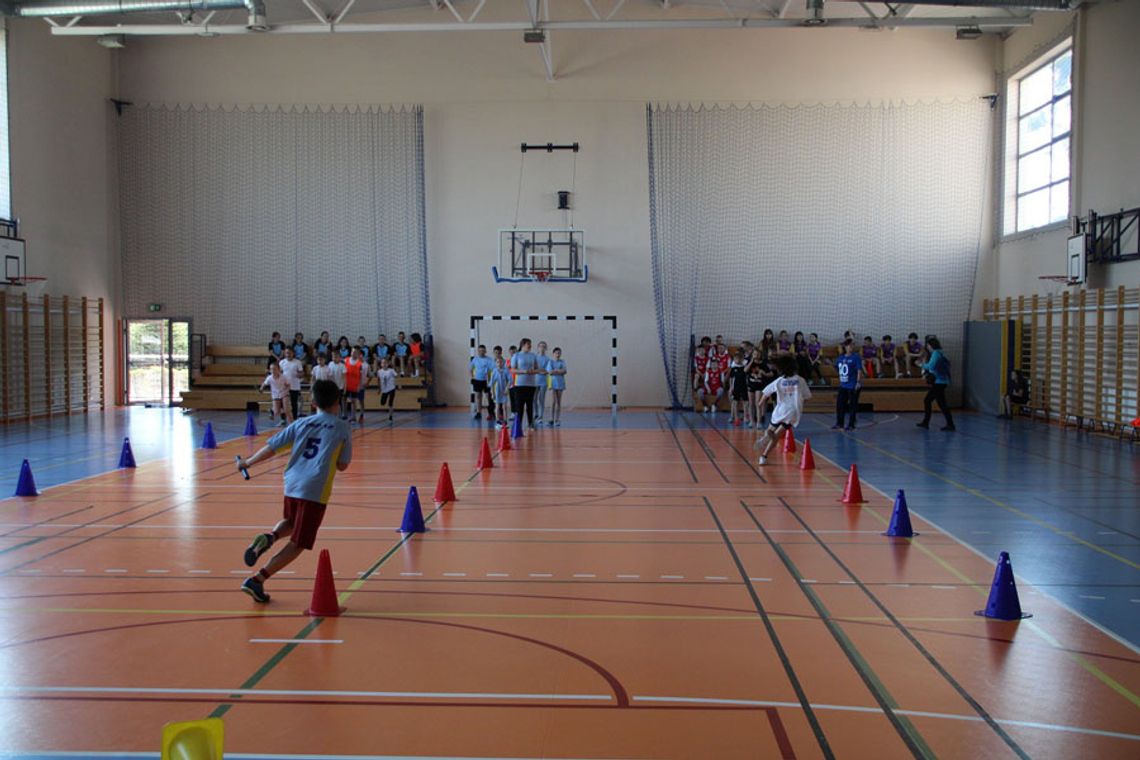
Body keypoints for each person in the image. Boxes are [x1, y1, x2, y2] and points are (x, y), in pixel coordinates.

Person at [236, 379, 353, 604]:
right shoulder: (341, 427)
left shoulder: (301, 423)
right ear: (337, 401)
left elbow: (271, 447)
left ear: (313, 402)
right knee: (299, 543)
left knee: (290, 521)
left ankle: (269, 537)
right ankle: (257, 580)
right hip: (315, 487)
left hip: (292, 482)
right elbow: (343, 465)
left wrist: (247, 463)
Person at [754, 355, 812, 466]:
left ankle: (765, 439)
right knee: (776, 436)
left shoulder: (779, 381)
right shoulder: (800, 380)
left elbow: (766, 392)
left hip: (780, 411)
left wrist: (760, 403)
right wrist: (800, 403)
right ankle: (764, 456)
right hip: (792, 413)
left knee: (771, 431)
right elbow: (807, 397)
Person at [917, 336, 955, 431]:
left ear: (931, 345)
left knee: (928, 400)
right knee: (942, 404)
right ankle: (950, 424)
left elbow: (931, 366)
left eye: (928, 345)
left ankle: (926, 422)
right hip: (941, 381)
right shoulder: (940, 353)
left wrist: (921, 365)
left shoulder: (936, 353)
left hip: (939, 382)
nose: (927, 347)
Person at [510, 337, 540, 429]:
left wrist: (533, 371)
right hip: (519, 385)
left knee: (530, 405)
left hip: (531, 384)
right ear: (523, 345)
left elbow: (536, 368)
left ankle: (531, 423)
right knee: (520, 406)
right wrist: (524, 371)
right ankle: (518, 425)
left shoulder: (533, 355)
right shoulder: (517, 355)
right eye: (528, 344)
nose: (530, 346)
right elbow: (513, 369)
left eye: (530, 344)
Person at [833, 339, 863, 431]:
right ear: (845, 347)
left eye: (852, 345)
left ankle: (851, 424)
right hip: (843, 385)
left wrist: (858, 382)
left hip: (852, 385)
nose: (851, 347)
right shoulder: (841, 358)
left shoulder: (856, 357)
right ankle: (839, 423)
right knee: (840, 405)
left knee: (852, 406)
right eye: (849, 345)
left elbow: (859, 370)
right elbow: (836, 366)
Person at [260, 362, 293, 427]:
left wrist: (287, 390)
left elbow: (288, 385)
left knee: (287, 410)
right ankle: (272, 410)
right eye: (271, 369)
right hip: (275, 395)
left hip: (284, 393)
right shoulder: (269, 378)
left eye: (275, 369)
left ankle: (292, 424)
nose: (273, 371)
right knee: (276, 412)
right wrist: (261, 388)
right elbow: (264, 384)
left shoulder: (283, 377)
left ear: (279, 369)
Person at [343, 346, 369, 426]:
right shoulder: (345, 360)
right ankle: (344, 415)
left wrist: (360, 385)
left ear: (358, 353)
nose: (353, 353)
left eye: (355, 352)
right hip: (346, 385)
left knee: (354, 401)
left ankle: (353, 416)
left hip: (355, 385)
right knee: (344, 400)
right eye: (352, 351)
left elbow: (361, 376)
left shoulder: (360, 364)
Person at [278, 347, 305, 421]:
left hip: (294, 385)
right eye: (286, 353)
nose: (288, 354)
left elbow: (302, 373)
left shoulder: (297, 362)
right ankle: (283, 419)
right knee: (282, 403)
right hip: (284, 386)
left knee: (294, 403)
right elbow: (279, 373)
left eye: (290, 353)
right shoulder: (282, 362)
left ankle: (295, 419)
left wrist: (300, 375)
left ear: (293, 353)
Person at [470, 344, 495, 420]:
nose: (481, 352)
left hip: (486, 381)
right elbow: (470, 369)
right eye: (480, 351)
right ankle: (478, 412)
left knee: (489, 397)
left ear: (485, 351)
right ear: (478, 351)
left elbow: (493, 370)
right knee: (478, 396)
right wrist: (472, 378)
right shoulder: (475, 359)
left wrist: (491, 380)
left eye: (483, 351)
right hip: (477, 380)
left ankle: (491, 412)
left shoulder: (489, 360)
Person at [728, 348, 750, 426]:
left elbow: (747, 378)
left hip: (744, 387)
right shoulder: (733, 369)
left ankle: (745, 416)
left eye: (739, 358)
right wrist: (731, 388)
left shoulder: (745, 368)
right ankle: (736, 417)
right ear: (734, 359)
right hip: (736, 387)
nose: (738, 360)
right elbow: (731, 378)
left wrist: (748, 386)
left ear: (742, 359)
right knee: (735, 402)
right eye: (736, 358)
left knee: (746, 402)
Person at [489, 355, 512, 428]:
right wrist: (492, 393)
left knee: (504, 406)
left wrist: (507, 388)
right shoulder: (494, 371)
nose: (499, 363)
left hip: (504, 390)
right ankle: (498, 421)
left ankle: (505, 421)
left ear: (503, 363)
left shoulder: (506, 370)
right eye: (498, 362)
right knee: (497, 406)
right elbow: (492, 383)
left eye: (501, 362)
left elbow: (510, 380)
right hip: (497, 390)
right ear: (496, 363)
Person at [547, 347, 566, 426]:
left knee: (559, 402)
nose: (558, 354)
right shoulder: (550, 362)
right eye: (556, 353)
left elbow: (564, 371)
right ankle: (551, 418)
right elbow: (550, 372)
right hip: (553, 383)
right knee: (553, 402)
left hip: (560, 383)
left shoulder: (562, 362)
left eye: (559, 353)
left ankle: (557, 419)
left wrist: (556, 371)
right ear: (553, 354)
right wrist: (559, 371)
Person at [534, 341, 552, 424]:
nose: (542, 348)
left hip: (543, 382)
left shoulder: (548, 359)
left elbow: (547, 371)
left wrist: (540, 371)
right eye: (540, 346)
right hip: (534, 381)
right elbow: (533, 369)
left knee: (541, 399)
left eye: (544, 346)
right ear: (538, 347)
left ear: (546, 348)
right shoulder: (535, 357)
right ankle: (536, 414)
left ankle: (541, 416)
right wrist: (539, 371)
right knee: (534, 399)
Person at [746, 360, 767, 429]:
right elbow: (745, 370)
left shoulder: (763, 364)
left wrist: (763, 373)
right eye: (755, 354)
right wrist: (751, 361)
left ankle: (759, 422)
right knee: (751, 403)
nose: (756, 356)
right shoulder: (750, 363)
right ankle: (751, 421)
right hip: (751, 385)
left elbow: (770, 373)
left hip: (759, 385)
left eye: (757, 354)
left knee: (758, 403)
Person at [376, 358, 398, 422]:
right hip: (384, 389)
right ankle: (388, 411)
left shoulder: (391, 370)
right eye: (383, 363)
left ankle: (390, 416)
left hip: (391, 388)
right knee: (382, 403)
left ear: (388, 364)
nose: (384, 364)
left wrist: (398, 384)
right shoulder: (379, 371)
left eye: (385, 363)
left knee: (390, 402)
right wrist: (379, 388)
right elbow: (378, 380)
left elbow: (397, 376)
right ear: (381, 364)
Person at [329, 351, 346, 416]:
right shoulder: (330, 364)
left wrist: (345, 387)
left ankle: (341, 414)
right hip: (332, 387)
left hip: (340, 386)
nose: (334, 358)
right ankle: (333, 414)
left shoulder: (342, 366)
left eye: (336, 357)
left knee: (339, 402)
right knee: (332, 401)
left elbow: (344, 378)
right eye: (333, 357)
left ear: (339, 358)